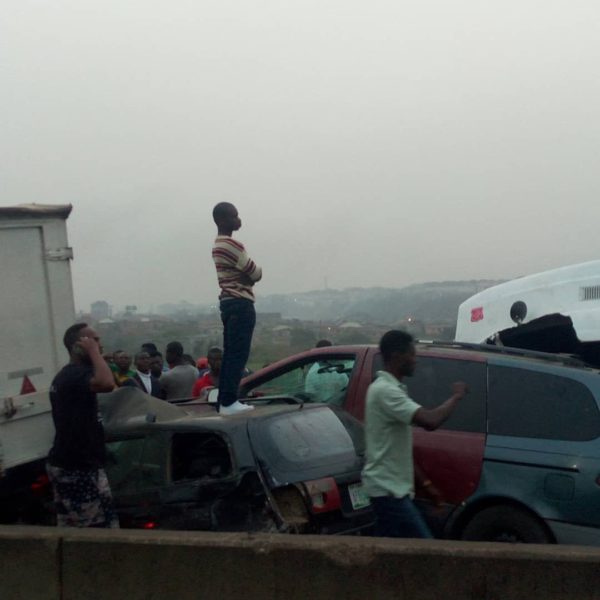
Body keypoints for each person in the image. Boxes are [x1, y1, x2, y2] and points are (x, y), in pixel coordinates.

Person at [362, 330, 467, 539]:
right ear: (396, 356)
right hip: (388, 492)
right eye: (411, 354)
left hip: (393, 491)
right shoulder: (386, 391)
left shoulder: (391, 389)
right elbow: (430, 421)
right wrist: (456, 397)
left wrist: (426, 485)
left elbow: (398, 448)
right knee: (424, 552)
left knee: (393, 557)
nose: (415, 360)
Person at [46, 323, 119, 528]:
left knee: (100, 525)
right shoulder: (72, 375)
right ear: (78, 347)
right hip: (76, 468)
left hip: (86, 465)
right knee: (93, 532)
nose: (99, 345)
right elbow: (106, 383)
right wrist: (95, 354)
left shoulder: (79, 374)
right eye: (93, 340)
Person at [212, 202, 262, 415]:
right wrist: (248, 277)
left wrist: (246, 275)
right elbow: (256, 272)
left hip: (228, 302)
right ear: (222, 220)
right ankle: (229, 401)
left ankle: (224, 401)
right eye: (234, 216)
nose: (238, 220)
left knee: (231, 353)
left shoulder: (217, 245)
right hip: (240, 302)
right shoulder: (233, 245)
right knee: (238, 354)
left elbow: (247, 273)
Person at [304, 339, 349, 404]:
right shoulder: (339, 370)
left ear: (317, 353)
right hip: (340, 409)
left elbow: (310, 397)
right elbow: (348, 390)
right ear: (331, 351)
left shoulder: (312, 373)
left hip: (320, 410)